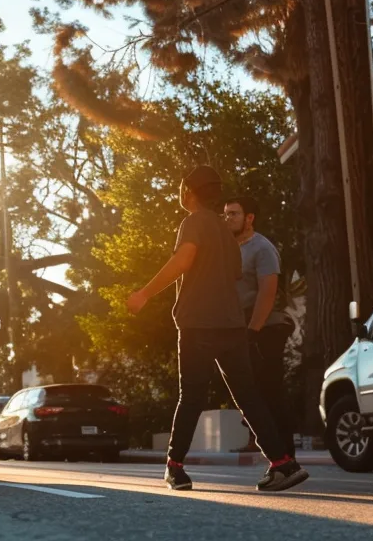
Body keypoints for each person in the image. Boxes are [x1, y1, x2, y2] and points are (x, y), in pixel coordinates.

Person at [125, 166, 307, 493]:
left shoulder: (193, 222)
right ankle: (283, 463)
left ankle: (175, 468)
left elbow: (183, 261)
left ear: (189, 192)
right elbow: (236, 272)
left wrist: (144, 294)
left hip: (198, 324)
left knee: (191, 396)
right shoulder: (226, 232)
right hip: (232, 326)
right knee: (248, 396)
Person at [225, 196, 294, 458]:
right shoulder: (231, 249)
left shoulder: (261, 248)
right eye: (226, 214)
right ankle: (262, 443)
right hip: (241, 327)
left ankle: (286, 456)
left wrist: (253, 331)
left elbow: (267, 292)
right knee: (248, 390)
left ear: (249, 218)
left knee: (271, 391)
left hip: (265, 329)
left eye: (234, 213)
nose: (228, 218)